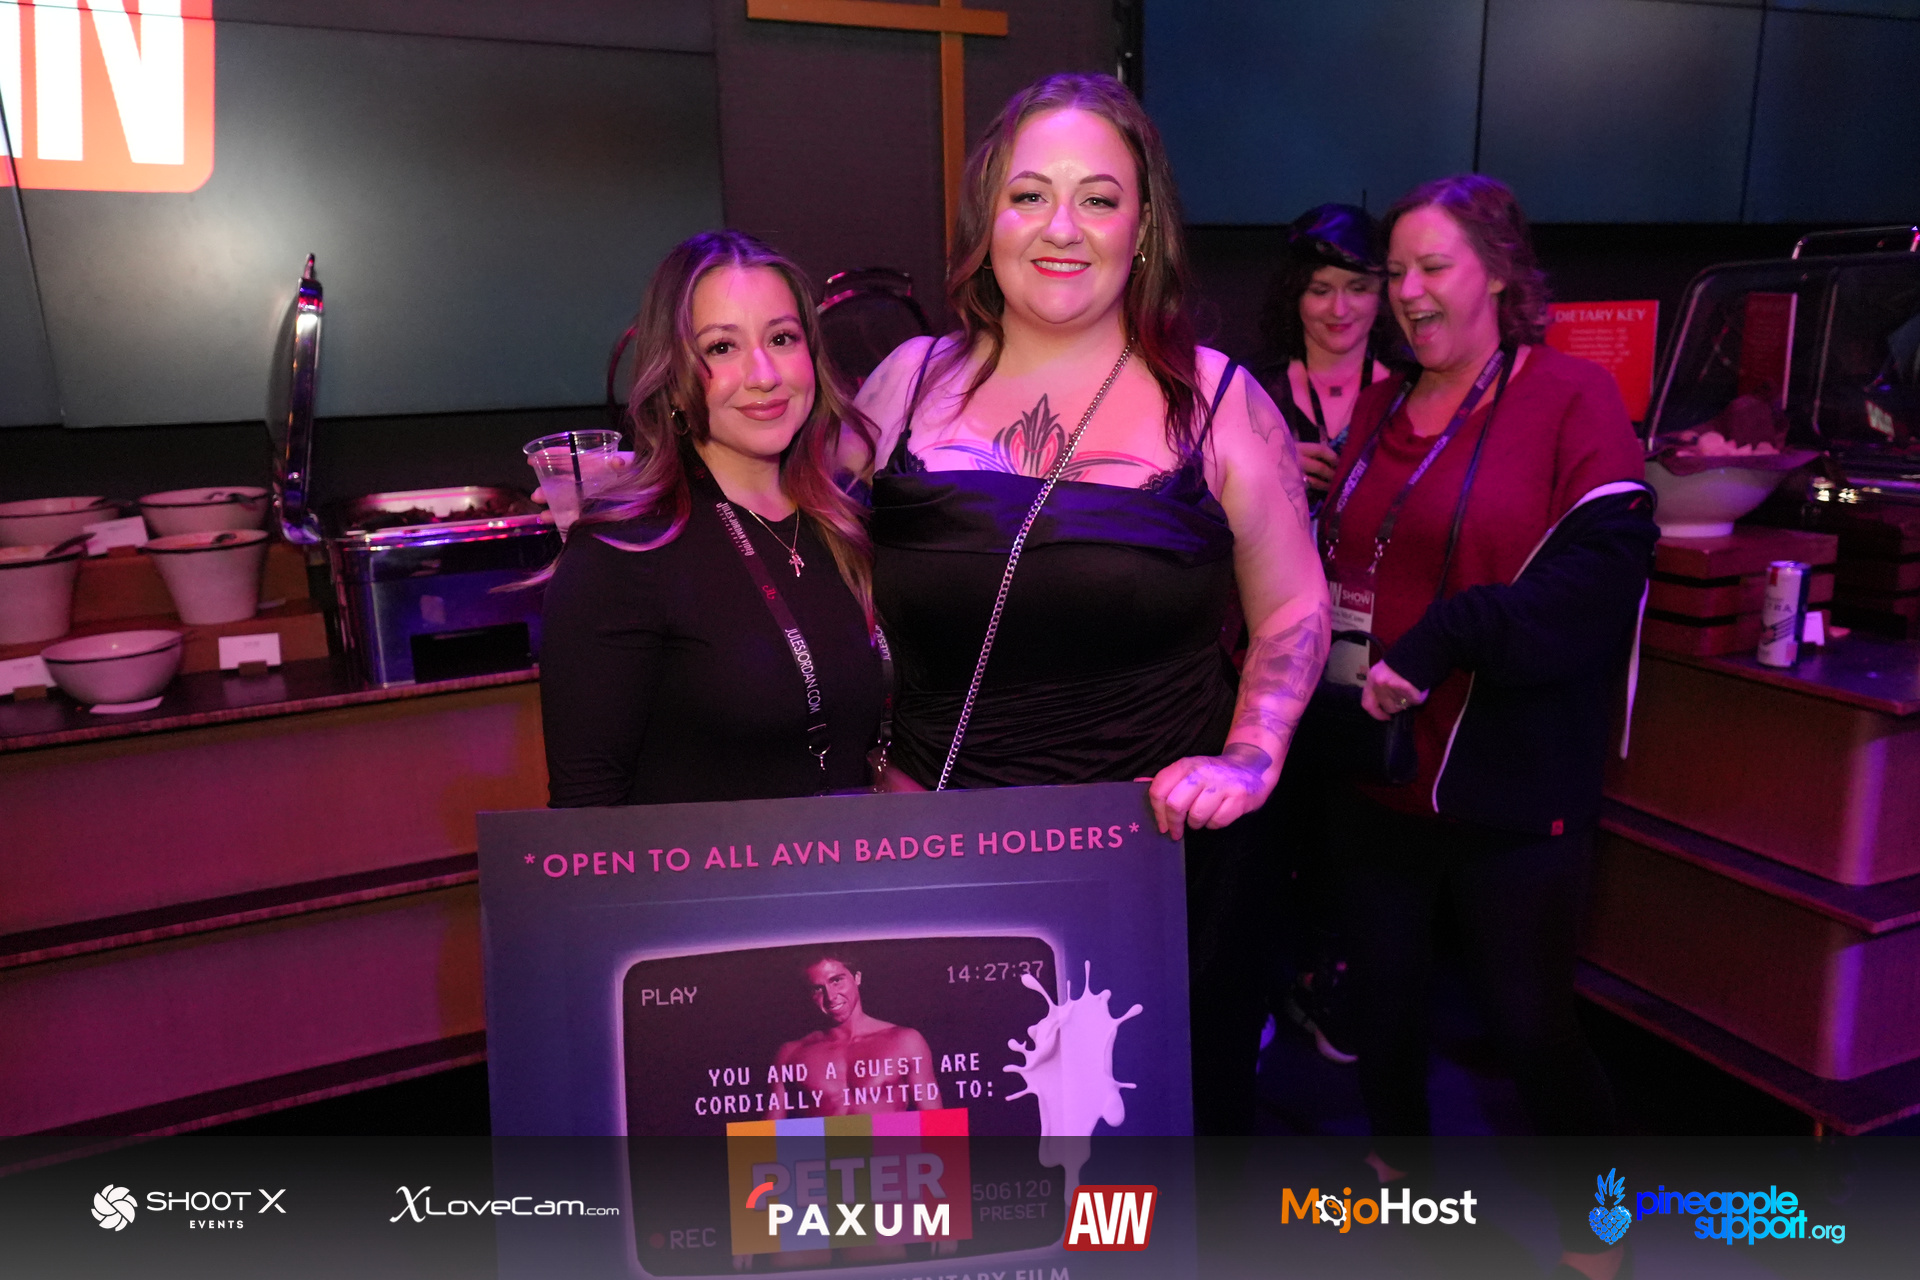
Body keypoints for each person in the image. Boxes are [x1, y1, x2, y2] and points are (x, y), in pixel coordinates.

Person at [851, 73, 1330, 1136]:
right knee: (971, 1158)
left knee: (1144, 1159)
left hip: (1159, 863)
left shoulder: (1218, 402)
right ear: (987, 220)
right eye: (1029, 195)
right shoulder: (903, 386)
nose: (1061, 227)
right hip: (941, 853)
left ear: (1144, 225)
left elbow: (1293, 609)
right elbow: (816, 582)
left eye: (1098, 198)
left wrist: (1251, 756)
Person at [1323, 174, 1654, 1280]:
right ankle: (1403, 1189)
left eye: (1433, 267)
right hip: (1375, 769)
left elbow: (1598, 581)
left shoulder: (1570, 396)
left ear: (1501, 274)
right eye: (1395, 272)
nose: (1406, 292)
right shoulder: (1380, 406)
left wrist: (1450, 635)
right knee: (1383, 1005)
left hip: (1510, 780)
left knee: (1530, 1026)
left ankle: (1602, 1233)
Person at [540, 231, 884, 806]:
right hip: (701, 867)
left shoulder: (846, 519)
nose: (764, 374)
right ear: (673, 377)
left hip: (853, 861)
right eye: (722, 348)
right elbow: (585, 816)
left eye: (781, 338)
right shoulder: (623, 553)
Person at [1256, 203, 1400, 497]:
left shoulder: (1414, 387)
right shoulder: (1250, 389)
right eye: (1321, 291)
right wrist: (1262, 469)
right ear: (1294, 296)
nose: (1339, 309)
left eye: (1358, 289)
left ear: (1383, 295)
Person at [768, 948, 941, 1118]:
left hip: (887, 1138)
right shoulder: (791, 1053)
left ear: (857, 977)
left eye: (836, 981)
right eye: (818, 989)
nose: (831, 997)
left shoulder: (905, 1041)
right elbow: (769, 1133)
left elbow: (935, 1124)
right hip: (820, 1139)